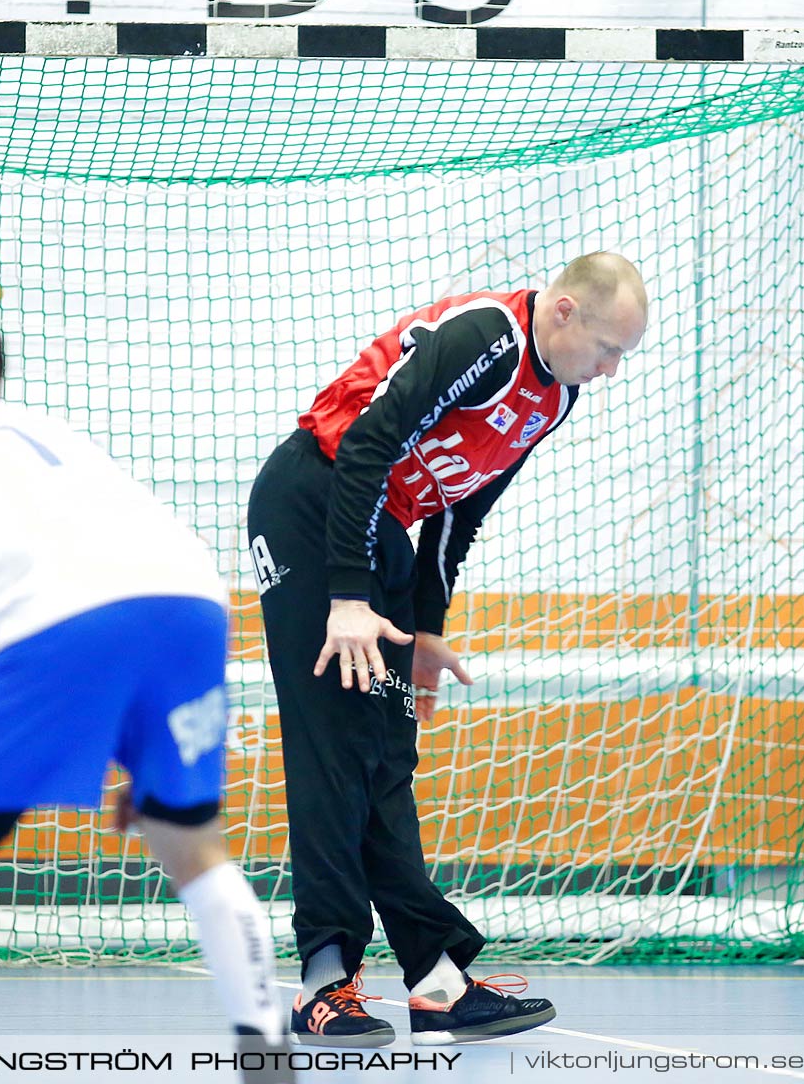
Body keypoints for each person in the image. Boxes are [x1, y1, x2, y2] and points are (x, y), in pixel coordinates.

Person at [0, 312, 286, 1078]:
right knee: (188, 835)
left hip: (67, 615)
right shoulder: (50, 435)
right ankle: (266, 1050)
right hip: (193, 600)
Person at [247, 253, 648, 1046]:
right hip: (314, 506)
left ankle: (434, 980)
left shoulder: (554, 398)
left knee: (387, 754)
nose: (608, 373)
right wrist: (349, 597)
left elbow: (458, 516)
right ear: (564, 311)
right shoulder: (485, 339)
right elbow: (364, 446)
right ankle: (323, 982)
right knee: (334, 746)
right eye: (607, 350)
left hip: (383, 535)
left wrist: (425, 627)